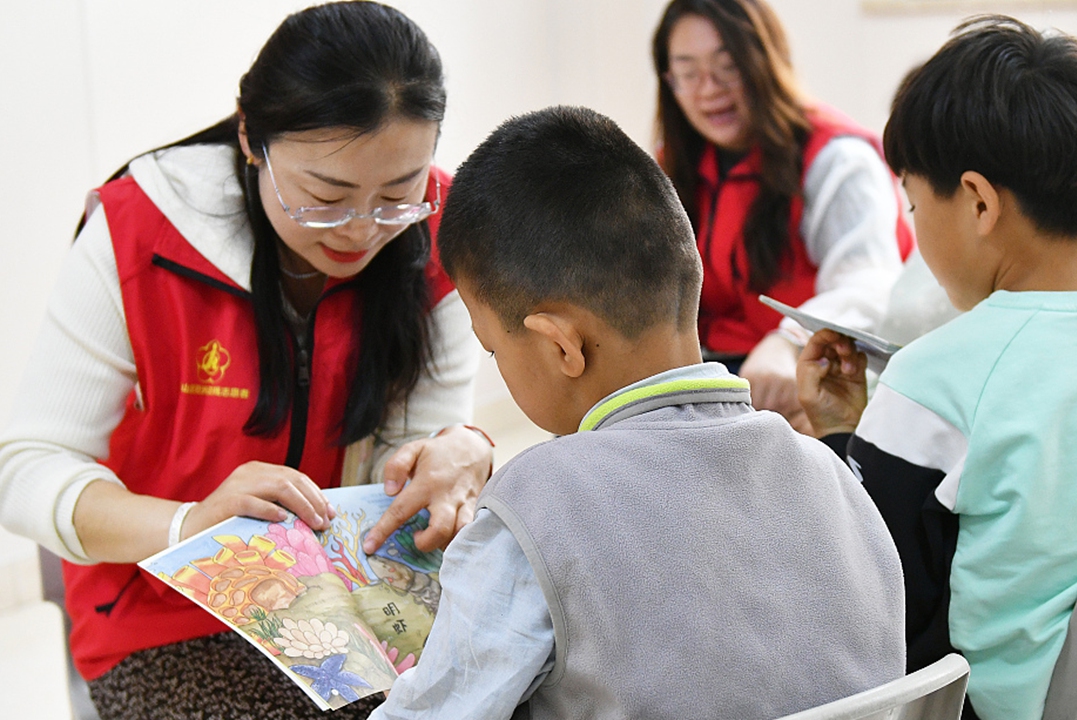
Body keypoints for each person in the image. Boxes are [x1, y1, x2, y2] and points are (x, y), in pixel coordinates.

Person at [0, 3, 493, 718]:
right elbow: (25, 468)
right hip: (158, 611)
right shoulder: (140, 230)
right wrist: (188, 525)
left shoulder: (438, 231)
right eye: (325, 197)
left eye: (396, 195)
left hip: (341, 595)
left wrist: (451, 454)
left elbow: (411, 451)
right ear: (250, 139)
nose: (362, 230)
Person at [369, 105, 906, 720]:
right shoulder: (834, 477)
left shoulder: (537, 506)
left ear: (560, 344)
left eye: (494, 348)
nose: (496, 361)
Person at [795, 16, 1077, 720]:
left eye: (917, 205)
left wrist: (839, 441)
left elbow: (864, 597)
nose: (917, 230)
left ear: (978, 202)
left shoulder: (936, 377)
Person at [651, 0, 913, 431]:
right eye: (687, 71)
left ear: (766, 63)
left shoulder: (836, 158)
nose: (709, 88)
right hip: (718, 375)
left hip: (812, 372)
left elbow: (870, 285)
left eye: (728, 66)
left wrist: (789, 339)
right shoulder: (676, 166)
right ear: (669, 81)